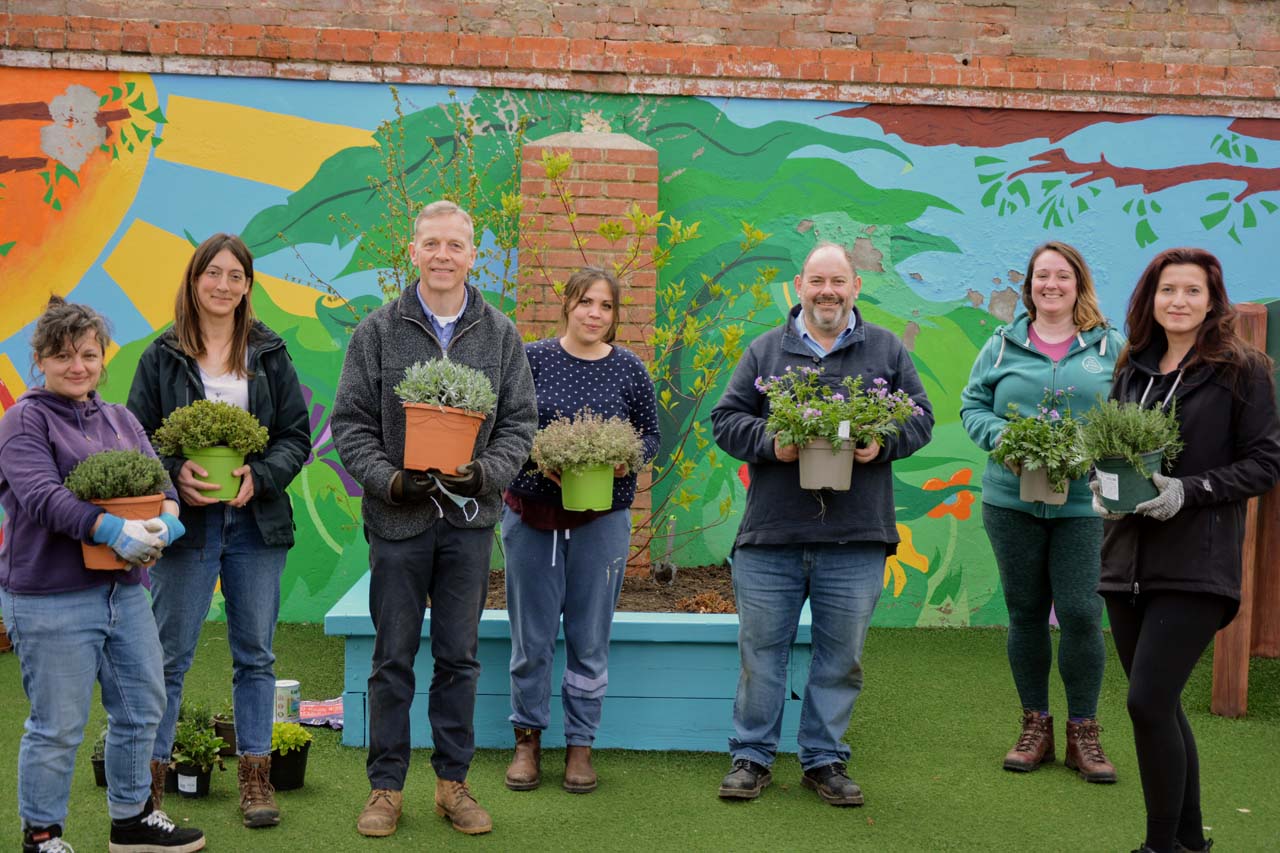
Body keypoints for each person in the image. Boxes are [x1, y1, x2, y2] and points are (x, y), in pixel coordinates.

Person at [332, 200, 537, 837]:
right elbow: (351, 423)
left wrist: (486, 473)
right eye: (432, 244)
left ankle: (453, 785)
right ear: (413, 251)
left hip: (469, 522)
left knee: (459, 660)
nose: (443, 255)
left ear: (473, 256)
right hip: (398, 521)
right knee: (391, 659)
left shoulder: (500, 334)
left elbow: (519, 422)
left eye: (455, 245)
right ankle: (385, 788)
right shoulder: (377, 331)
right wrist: (388, 481)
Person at [709, 241, 933, 806]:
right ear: (800, 287)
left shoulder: (885, 349)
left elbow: (921, 417)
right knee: (761, 654)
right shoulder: (766, 350)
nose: (827, 292)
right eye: (817, 281)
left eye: (837, 281)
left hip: (856, 537)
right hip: (771, 535)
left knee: (841, 658)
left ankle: (823, 759)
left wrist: (881, 442)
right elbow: (726, 420)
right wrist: (773, 442)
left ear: (855, 286)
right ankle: (751, 757)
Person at [0, 297, 206, 853]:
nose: (78, 367)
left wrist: (165, 524)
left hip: (124, 591)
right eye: (63, 356)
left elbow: (161, 482)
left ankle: (131, 820)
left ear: (102, 358)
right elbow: (42, 497)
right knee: (58, 725)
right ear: (40, 359)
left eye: (89, 355)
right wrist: (114, 531)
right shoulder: (23, 420)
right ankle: (42, 835)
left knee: (142, 707)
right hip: (50, 596)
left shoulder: (118, 418)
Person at [1094, 248, 1280, 853]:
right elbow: (1118, 450)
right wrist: (1104, 485)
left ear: (1211, 301)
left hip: (1197, 563)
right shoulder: (1134, 366)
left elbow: (1265, 463)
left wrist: (1188, 490)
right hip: (1126, 561)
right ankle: (1189, 843)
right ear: (1150, 299)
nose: (1179, 301)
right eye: (1168, 289)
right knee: (1161, 706)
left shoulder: (1242, 369)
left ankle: (1159, 846)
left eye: (1192, 291)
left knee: (1147, 701)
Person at [127, 233, 311, 829]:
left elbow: (295, 436)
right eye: (214, 273)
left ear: (247, 286)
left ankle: (255, 779)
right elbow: (137, 436)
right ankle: (149, 787)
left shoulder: (269, 351)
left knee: (255, 656)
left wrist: (262, 476)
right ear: (194, 279)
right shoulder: (162, 355)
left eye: (236, 276)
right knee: (168, 658)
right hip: (187, 527)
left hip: (256, 524)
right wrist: (174, 473)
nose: (223, 285)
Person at [960, 241, 1125, 782]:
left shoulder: (1110, 347)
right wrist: (1003, 438)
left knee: (1080, 612)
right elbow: (972, 405)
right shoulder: (1001, 346)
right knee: (1026, 612)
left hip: (1085, 504)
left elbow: (1130, 413)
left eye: (1062, 276)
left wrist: (1098, 448)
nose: (1050, 285)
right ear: (1029, 286)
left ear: (1079, 284)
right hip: (1011, 502)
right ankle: (1035, 726)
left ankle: (1084, 733)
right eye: (1041, 276)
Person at [500, 267, 660, 794]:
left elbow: (650, 436)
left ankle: (580, 745)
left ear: (615, 315)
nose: (595, 314)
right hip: (532, 516)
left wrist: (624, 461)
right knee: (532, 638)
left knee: (590, 639)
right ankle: (527, 741)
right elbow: (505, 428)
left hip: (602, 521)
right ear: (567, 304)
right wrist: (539, 460)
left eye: (606, 306)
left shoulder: (629, 369)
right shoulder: (531, 359)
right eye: (586, 302)